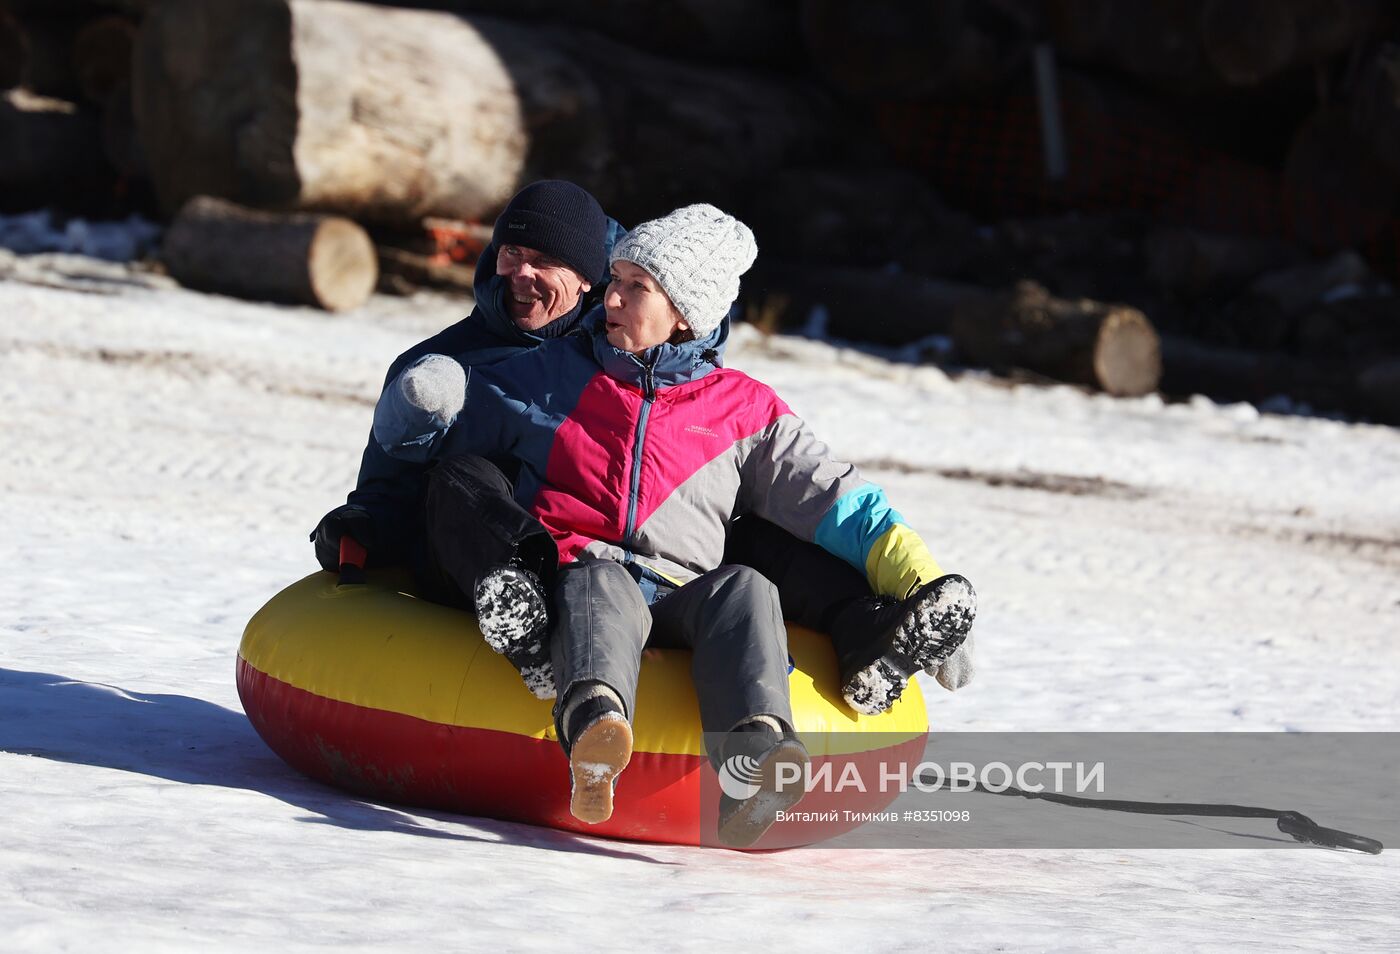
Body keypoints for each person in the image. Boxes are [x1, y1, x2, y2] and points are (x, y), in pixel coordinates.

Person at [371, 204, 977, 846]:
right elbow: (452, 427)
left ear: (684, 313)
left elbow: (841, 500)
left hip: (683, 589)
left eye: (638, 287)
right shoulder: (553, 377)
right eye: (615, 280)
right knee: (597, 582)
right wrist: (426, 400)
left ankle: (759, 758)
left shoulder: (745, 410)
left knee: (748, 586)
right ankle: (596, 730)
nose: (613, 298)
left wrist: (920, 579)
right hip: (583, 579)